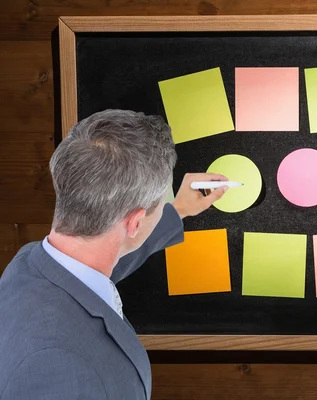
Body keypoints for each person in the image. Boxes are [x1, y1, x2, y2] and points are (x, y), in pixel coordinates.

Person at [0, 110, 228, 400]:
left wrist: (178, 209)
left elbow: (100, 267)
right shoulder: (59, 366)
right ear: (134, 222)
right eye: (158, 206)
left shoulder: (31, 264)